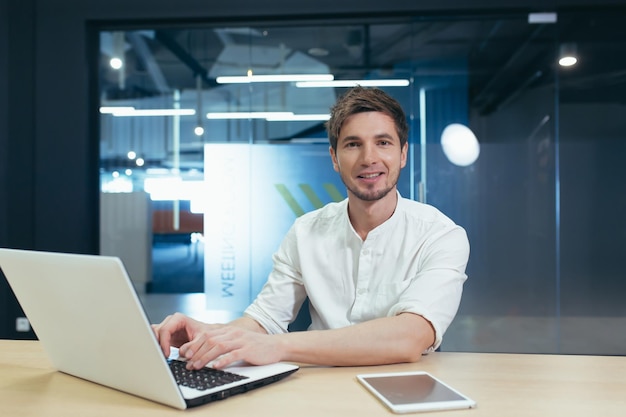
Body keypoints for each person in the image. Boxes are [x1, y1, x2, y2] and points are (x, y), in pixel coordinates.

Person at [153, 86, 470, 370]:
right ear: (334, 158)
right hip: (318, 391)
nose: (368, 158)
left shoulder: (441, 236)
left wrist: (277, 346)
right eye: (352, 145)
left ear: (402, 154)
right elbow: (264, 321)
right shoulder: (305, 232)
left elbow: (409, 337)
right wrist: (207, 335)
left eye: (383, 142)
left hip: (407, 390)